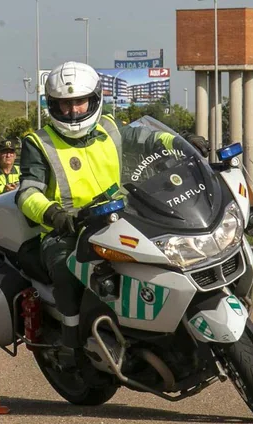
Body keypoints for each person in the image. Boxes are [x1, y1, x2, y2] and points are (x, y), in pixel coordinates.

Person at [15, 61, 209, 349]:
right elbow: (27, 192)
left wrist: (181, 142)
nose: (72, 111)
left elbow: (149, 138)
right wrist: (55, 214)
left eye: (79, 102)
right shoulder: (39, 142)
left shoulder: (109, 127)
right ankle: (71, 344)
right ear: (52, 105)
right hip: (69, 229)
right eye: (64, 104)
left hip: (122, 217)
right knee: (66, 270)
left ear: (94, 99)